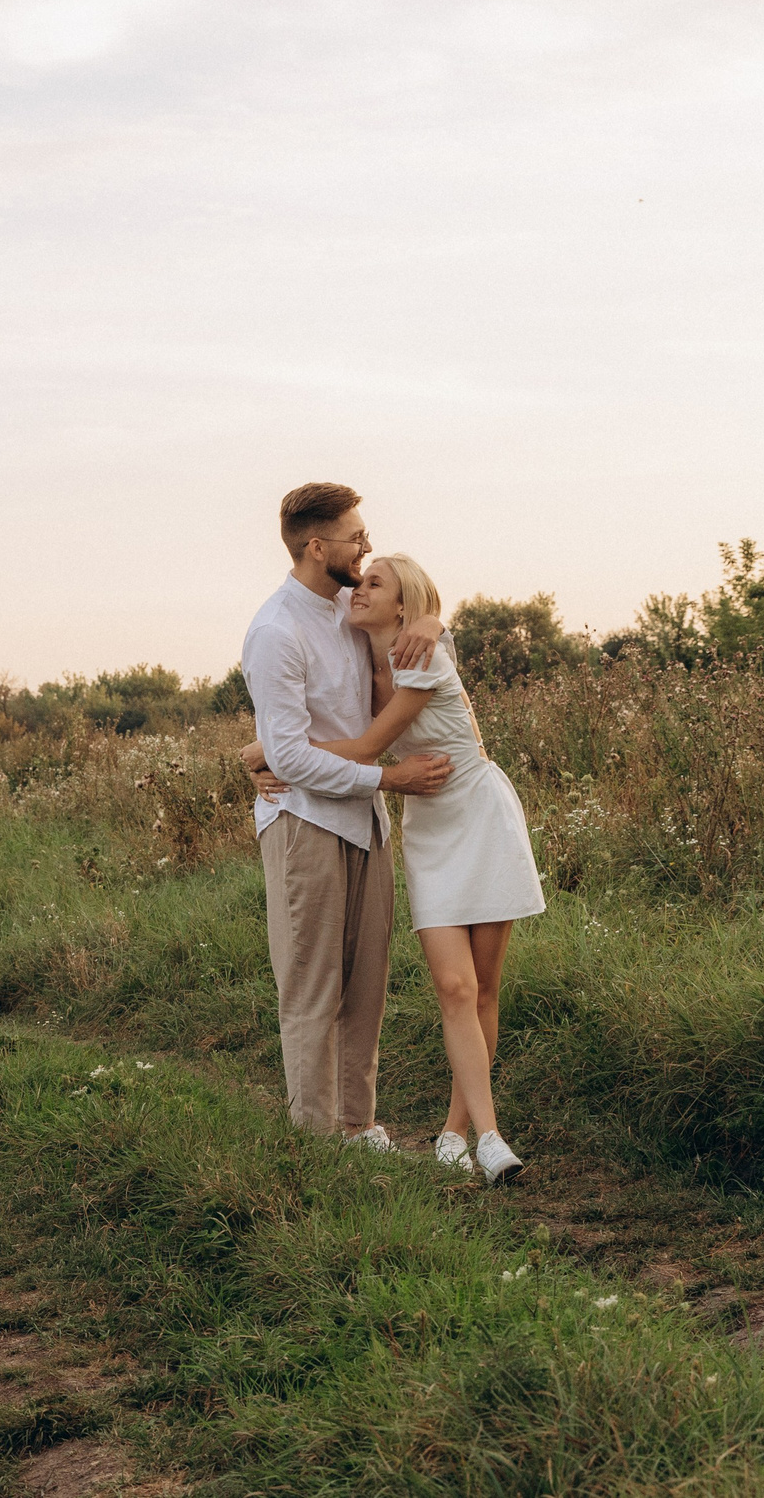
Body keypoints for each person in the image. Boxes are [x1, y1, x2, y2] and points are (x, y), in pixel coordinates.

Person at [246, 553, 547, 1185]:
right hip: (429, 832)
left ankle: (463, 1135)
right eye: (360, 569)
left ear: (403, 607)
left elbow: (364, 748)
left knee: (482, 988)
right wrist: (269, 748)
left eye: (374, 582)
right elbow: (333, 719)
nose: (358, 584)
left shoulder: (422, 658)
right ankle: (457, 1136)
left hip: (480, 818)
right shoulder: (359, 655)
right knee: (456, 988)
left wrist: (268, 751)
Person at [240, 483, 451, 1149]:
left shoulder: (349, 604)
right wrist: (389, 777)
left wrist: (432, 619)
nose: (366, 546)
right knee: (311, 988)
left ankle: (359, 1127)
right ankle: (314, 1141)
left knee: (365, 988)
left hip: (365, 822)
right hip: (303, 821)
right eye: (356, 537)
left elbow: (414, 615)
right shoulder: (275, 630)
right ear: (317, 546)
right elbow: (291, 759)